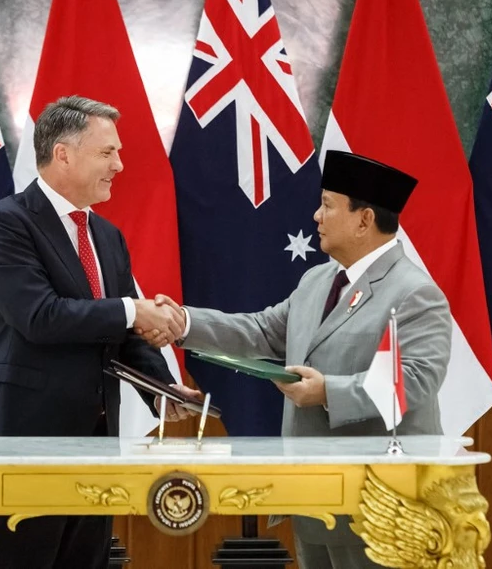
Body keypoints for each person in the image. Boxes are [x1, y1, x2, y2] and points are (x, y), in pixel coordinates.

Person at [145, 150, 452, 569]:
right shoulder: (318, 279)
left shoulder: (414, 291)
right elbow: (262, 331)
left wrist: (327, 392)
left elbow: (415, 380)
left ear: (365, 219)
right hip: (314, 501)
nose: (316, 217)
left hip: (381, 507)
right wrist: (182, 322)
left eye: (327, 205)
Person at [0, 95, 200, 569]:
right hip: (25, 437)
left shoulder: (108, 235)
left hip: (98, 437)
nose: (119, 164)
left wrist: (161, 387)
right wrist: (133, 309)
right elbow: (41, 317)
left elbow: (121, 332)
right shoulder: (7, 223)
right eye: (107, 152)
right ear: (63, 154)